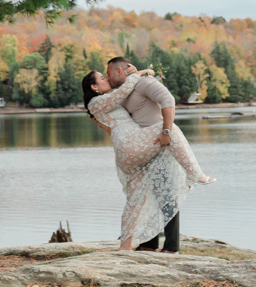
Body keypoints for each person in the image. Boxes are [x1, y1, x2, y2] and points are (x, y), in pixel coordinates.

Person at [82, 65, 214, 251]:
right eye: (102, 78)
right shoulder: (96, 103)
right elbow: (123, 91)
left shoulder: (105, 101)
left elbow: (124, 89)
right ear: (94, 87)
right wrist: (140, 74)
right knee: (170, 129)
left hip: (131, 147)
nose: (106, 79)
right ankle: (194, 173)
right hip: (130, 143)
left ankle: (125, 247)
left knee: (135, 201)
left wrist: (143, 74)